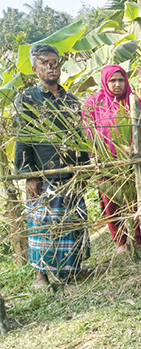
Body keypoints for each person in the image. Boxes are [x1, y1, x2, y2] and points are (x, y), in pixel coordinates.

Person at [13, 44, 90, 288]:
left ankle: (72, 269)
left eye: (54, 62)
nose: (50, 67)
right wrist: (28, 175)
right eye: (44, 63)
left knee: (72, 222)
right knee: (43, 225)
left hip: (70, 171)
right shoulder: (27, 99)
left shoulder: (70, 99)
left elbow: (80, 136)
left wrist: (84, 166)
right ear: (35, 68)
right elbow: (22, 138)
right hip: (43, 173)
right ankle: (42, 276)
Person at [82, 64, 141, 254]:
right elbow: (88, 134)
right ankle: (121, 242)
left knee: (137, 199)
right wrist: (95, 158)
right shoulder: (93, 103)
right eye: (112, 80)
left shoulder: (133, 100)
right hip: (108, 162)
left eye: (121, 80)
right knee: (112, 203)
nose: (117, 84)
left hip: (133, 158)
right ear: (105, 82)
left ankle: (140, 237)